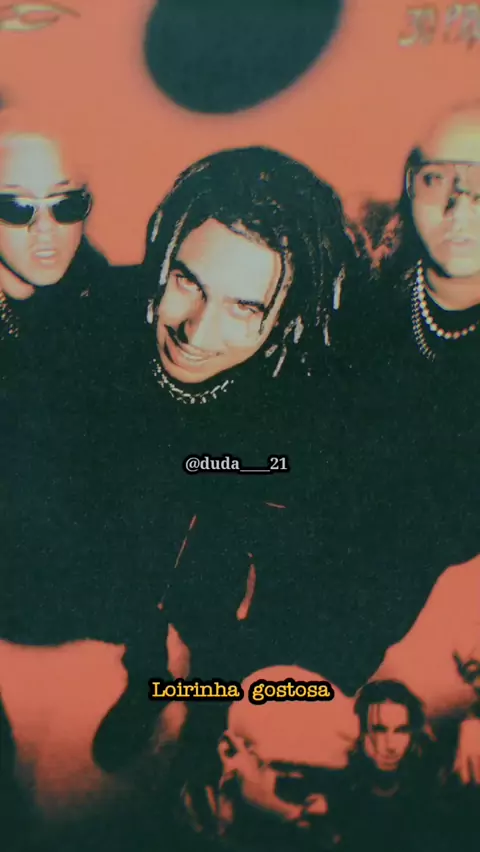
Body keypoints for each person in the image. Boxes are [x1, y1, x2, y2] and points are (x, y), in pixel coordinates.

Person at [91, 144, 362, 772]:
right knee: (135, 601)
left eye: (244, 307)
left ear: (286, 319)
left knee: (213, 626)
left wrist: (215, 472)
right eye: (188, 281)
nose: (196, 332)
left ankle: (207, 718)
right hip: (136, 504)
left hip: (229, 517)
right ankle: (147, 683)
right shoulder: (107, 315)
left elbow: (301, 482)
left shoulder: (308, 383)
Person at [341, 681, 438, 852]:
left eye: (401, 731)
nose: (391, 745)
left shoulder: (430, 796)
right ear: (360, 732)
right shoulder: (338, 797)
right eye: (379, 730)